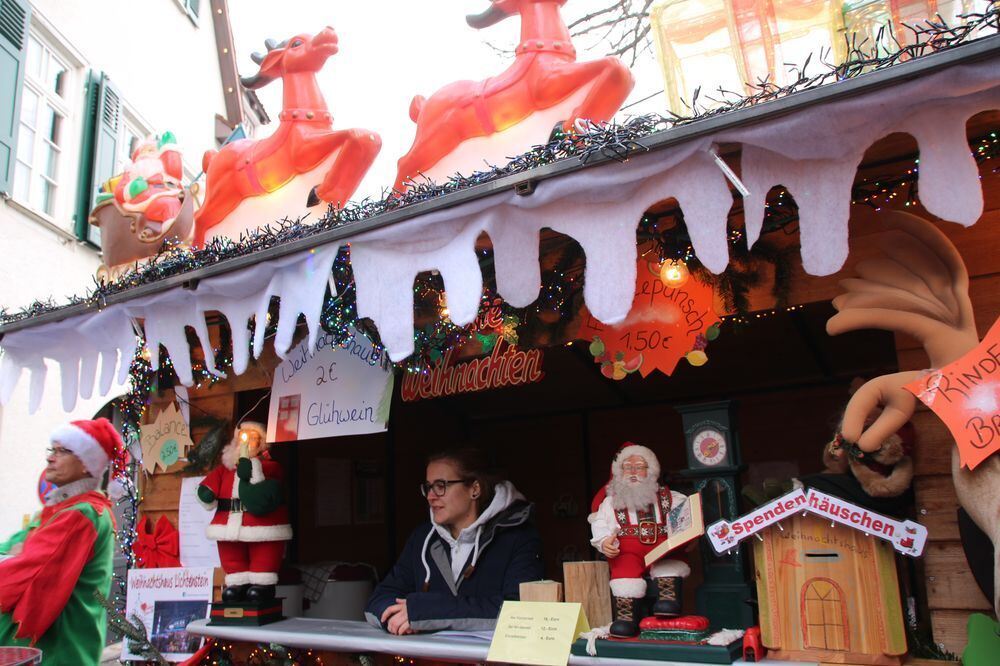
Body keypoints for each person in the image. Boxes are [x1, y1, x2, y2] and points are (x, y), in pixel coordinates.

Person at [365, 449, 543, 633]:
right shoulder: (422, 538)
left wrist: (427, 612)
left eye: (441, 485)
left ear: (475, 489)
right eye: (428, 487)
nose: (431, 496)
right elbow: (379, 598)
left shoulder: (518, 537)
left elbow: (521, 611)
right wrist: (397, 618)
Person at [0, 418, 127, 664]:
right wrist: (14, 556)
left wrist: (18, 557)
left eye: (63, 451)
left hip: (58, 654)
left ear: (86, 464)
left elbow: (22, 574)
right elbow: (11, 552)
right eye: (52, 449)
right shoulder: (56, 511)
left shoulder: (82, 514)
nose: (50, 457)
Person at [589, 442, 691, 637]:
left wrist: (684, 535)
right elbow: (600, 523)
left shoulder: (670, 497)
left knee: (669, 564)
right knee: (624, 573)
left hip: (663, 549)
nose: (633, 472)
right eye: (627, 467)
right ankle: (626, 616)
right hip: (627, 551)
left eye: (639, 467)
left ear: (651, 470)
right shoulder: (611, 502)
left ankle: (668, 599)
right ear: (619, 472)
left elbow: (686, 516)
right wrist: (604, 542)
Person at [198, 421, 291, 604]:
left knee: (264, 554)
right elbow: (210, 485)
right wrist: (206, 492)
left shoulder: (270, 467)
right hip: (228, 524)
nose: (247, 443)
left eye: (253, 438)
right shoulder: (224, 470)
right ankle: (237, 583)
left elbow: (264, 490)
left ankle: (262, 585)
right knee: (232, 556)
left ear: (262, 443)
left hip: (262, 525)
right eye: (244, 438)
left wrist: (250, 468)